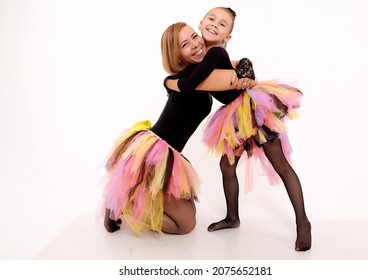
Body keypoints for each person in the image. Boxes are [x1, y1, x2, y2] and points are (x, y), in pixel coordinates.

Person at [165, 7, 311, 251]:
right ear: (200, 24)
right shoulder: (209, 55)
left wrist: (169, 82)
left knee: (280, 163)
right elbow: (239, 63)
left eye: (222, 25)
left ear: (227, 37)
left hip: (251, 109)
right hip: (235, 113)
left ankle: (303, 222)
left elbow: (190, 85)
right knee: (226, 165)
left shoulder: (212, 55)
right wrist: (245, 69)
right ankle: (233, 217)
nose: (215, 25)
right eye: (211, 19)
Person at [101, 22, 249, 235]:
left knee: (190, 214)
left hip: (171, 154)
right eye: (185, 44)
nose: (196, 44)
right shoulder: (188, 78)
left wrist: (245, 67)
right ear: (177, 55)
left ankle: (132, 198)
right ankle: (120, 204)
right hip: (155, 150)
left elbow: (231, 66)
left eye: (195, 36)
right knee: (185, 226)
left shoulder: (202, 74)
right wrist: (241, 72)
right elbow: (226, 75)